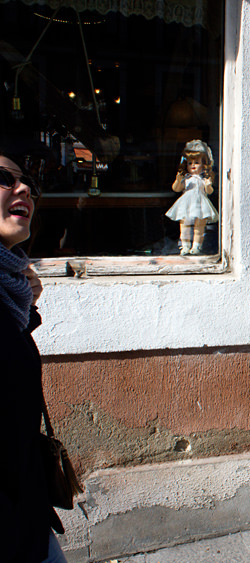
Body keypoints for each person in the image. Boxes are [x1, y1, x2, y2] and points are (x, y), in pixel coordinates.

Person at [0, 151, 68, 561]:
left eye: (28, 182)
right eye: (4, 178)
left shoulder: (11, 291)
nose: (24, 187)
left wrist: (25, 314)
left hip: (25, 511)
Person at [165, 140, 219, 255]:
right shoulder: (186, 178)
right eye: (190, 163)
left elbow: (209, 191)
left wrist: (208, 185)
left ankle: (196, 246)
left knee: (199, 227)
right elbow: (176, 188)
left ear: (204, 164)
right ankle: (185, 246)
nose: (193, 165)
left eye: (196, 162)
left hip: (200, 204)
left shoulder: (203, 179)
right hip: (186, 204)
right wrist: (178, 180)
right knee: (184, 225)